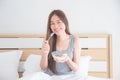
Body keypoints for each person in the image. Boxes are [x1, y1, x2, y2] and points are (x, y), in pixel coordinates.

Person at [40, 9, 80, 76]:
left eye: (59, 22)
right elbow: (43, 68)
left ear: (65, 22)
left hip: (68, 77)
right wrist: (45, 54)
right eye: (52, 23)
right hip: (50, 77)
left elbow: (76, 69)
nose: (56, 26)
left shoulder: (74, 40)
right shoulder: (47, 40)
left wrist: (67, 59)